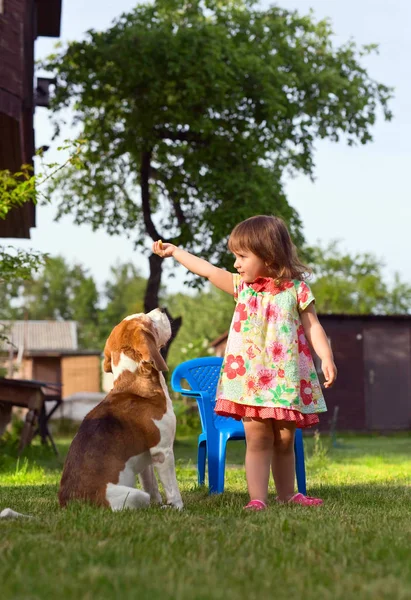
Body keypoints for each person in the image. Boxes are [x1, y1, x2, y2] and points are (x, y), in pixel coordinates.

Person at [152, 215, 337, 510]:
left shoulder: (297, 291)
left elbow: (313, 326)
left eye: (242, 256)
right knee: (258, 438)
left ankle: (288, 494)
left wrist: (325, 356)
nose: (236, 264)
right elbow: (209, 271)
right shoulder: (243, 288)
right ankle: (257, 499)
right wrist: (176, 252)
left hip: (286, 379)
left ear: (268, 255)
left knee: (286, 439)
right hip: (250, 380)